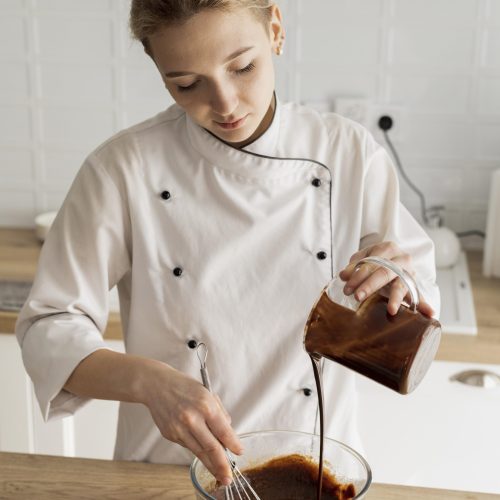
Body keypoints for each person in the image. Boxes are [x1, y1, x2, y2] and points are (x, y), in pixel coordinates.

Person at [16, 0, 439, 488]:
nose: (225, 103)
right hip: (170, 472)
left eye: (243, 67)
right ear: (158, 71)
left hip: (320, 467)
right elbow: (48, 326)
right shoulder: (123, 169)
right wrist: (148, 382)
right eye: (186, 84)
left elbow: (419, 290)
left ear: (275, 30)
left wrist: (396, 279)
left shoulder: (347, 153)